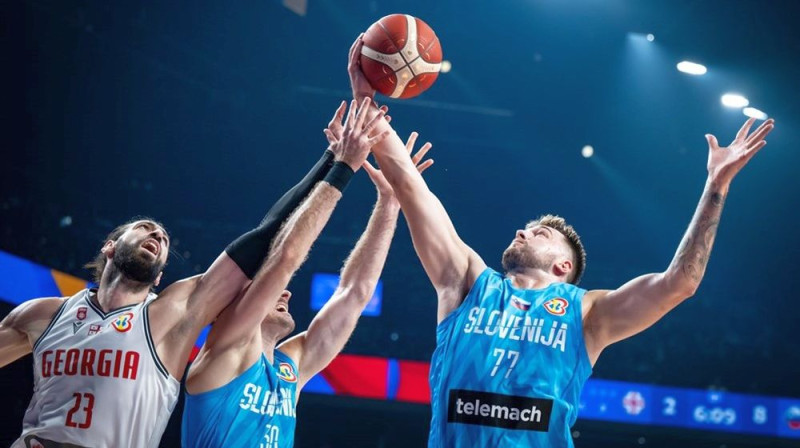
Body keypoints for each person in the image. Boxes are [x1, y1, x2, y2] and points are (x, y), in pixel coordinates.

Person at [345, 36, 775, 447]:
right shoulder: (466, 283)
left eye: (539, 233)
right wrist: (367, 100)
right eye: (527, 228)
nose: (522, 231)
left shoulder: (587, 314)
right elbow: (409, 183)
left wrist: (715, 187)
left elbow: (681, 281)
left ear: (562, 267)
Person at [0, 98, 386, 448]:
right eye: (146, 228)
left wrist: (334, 163)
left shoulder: (173, 313)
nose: (157, 234)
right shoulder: (42, 316)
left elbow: (267, 238)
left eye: (163, 238)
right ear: (110, 247)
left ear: (158, 278)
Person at [181, 120, 433, 448]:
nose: (285, 291)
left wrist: (389, 203)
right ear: (226, 308)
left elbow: (355, 294)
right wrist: (342, 169)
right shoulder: (224, 349)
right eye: (265, 287)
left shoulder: (291, 365)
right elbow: (284, 258)